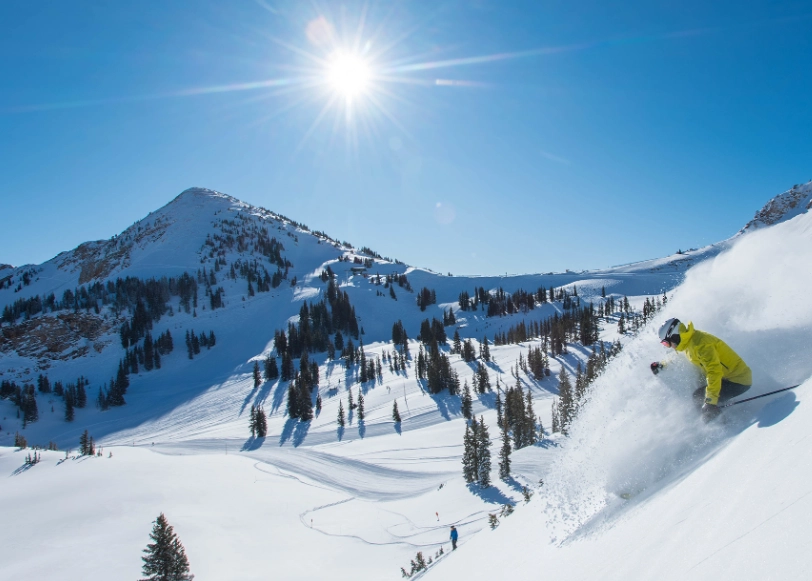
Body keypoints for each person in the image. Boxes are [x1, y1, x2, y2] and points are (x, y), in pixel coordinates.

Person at [651, 318, 752, 422]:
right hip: (726, 377)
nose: (669, 347)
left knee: (698, 397)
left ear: (674, 335)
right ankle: (715, 412)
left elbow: (714, 372)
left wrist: (710, 401)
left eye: (667, 343)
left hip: (738, 380)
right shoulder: (688, 341)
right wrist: (662, 365)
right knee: (698, 388)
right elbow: (679, 358)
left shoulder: (701, 345)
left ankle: (721, 425)